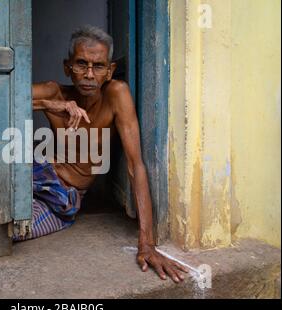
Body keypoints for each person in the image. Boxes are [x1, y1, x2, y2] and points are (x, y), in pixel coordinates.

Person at [15, 25, 188, 283]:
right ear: (67, 67)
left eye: (98, 66)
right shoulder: (55, 92)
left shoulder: (116, 94)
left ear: (109, 71)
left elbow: (135, 165)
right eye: (81, 64)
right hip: (32, 172)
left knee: (10, 230)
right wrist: (49, 104)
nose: (88, 74)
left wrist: (147, 243)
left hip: (61, 196)